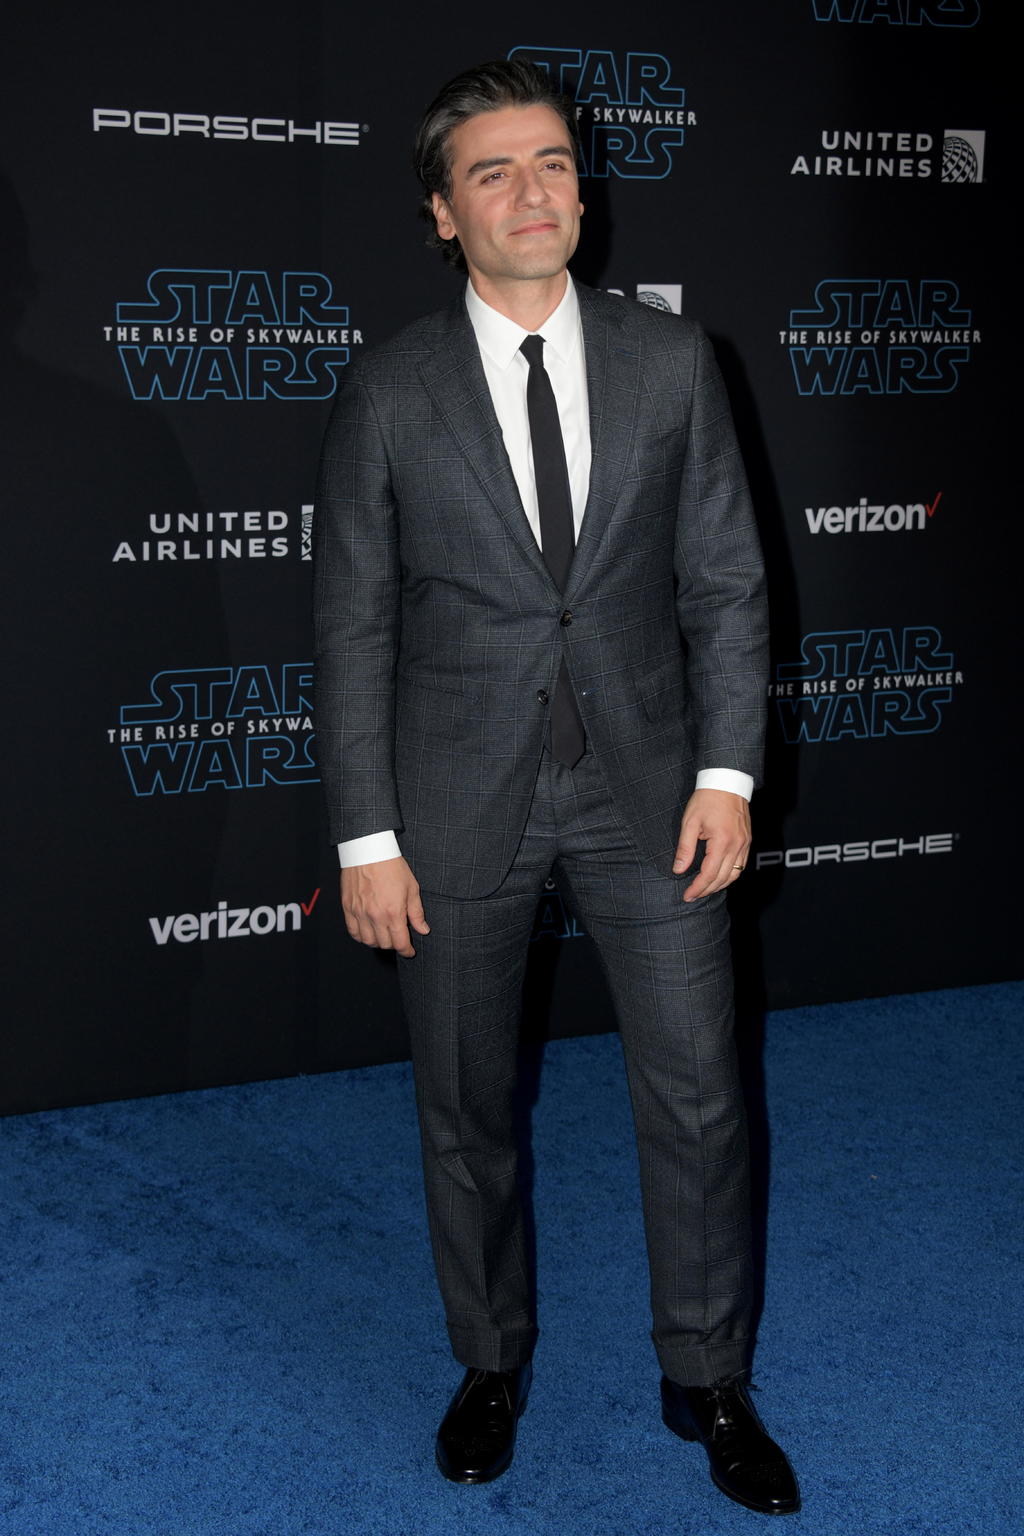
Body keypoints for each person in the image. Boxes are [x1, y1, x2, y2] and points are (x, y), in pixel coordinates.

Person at [313, 58, 799, 1516]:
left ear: (583, 193)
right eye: (493, 172)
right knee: (466, 1104)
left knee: (700, 1096)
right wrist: (366, 835)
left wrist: (729, 774)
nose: (532, 192)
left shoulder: (675, 363)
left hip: (653, 791)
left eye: (554, 164)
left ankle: (707, 1374)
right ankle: (489, 1359)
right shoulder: (388, 388)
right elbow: (353, 626)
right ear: (442, 214)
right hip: (452, 800)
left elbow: (727, 586)